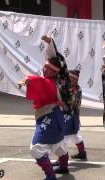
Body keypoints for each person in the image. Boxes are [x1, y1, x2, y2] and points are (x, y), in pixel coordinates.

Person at [18, 50, 69, 180]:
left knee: (35, 148)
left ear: (55, 72)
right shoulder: (58, 80)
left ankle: (50, 175)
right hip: (57, 117)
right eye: (45, 67)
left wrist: (28, 80)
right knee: (59, 143)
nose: (45, 69)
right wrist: (49, 43)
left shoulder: (49, 82)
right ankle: (63, 165)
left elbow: (40, 81)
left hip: (49, 118)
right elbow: (53, 58)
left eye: (48, 68)